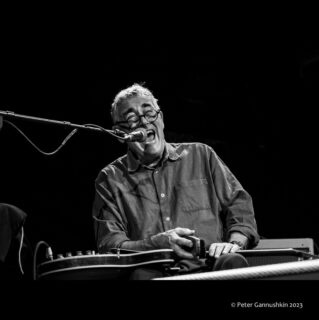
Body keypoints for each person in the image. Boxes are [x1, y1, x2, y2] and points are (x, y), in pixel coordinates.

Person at [92, 83, 259, 279]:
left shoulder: (202, 154)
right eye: (131, 119)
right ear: (120, 134)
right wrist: (155, 246)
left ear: (160, 119)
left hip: (211, 269)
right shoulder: (110, 178)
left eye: (149, 113)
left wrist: (233, 244)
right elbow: (111, 243)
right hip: (154, 272)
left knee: (233, 262)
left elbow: (239, 205)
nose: (144, 123)